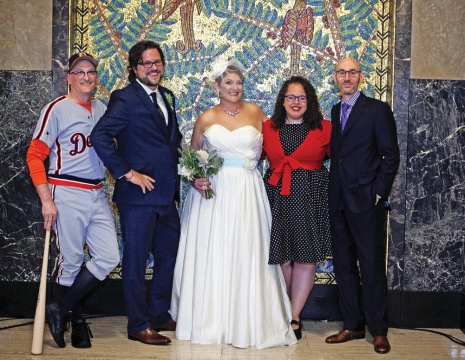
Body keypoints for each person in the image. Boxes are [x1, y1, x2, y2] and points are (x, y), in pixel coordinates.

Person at [169, 58, 297, 349]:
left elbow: (273, 149)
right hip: (214, 193)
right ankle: (210, 319)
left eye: (238, 82)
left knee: (246, 249)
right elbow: (191, 159)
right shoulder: (206, 117)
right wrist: (195, 180)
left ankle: (248, 321)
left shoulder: (256, 113)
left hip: (247, 191)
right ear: (217, 86)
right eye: (228, 82)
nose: (234, 87)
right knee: (213, 249)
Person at [26, 52, 120, 349]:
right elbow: (34, 156)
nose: (86, 77)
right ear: (69, 77)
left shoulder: (103, 108)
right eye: (79, 72)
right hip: (65, 191)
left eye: (90, 72)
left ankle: (62, 308)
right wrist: (46, 200)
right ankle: (77, 322)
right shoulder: (56, 109)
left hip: (96, 191)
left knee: (109, 257)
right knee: (72, 261)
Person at [90, 40, 182, 346]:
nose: (154, 68)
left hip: (167, 196)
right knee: (136, 260)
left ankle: (158, 313)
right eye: (147, 64)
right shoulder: (125, 99)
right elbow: (100, 136)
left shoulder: (166, 96)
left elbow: (170, 142)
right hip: (137, 198)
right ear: (134, 69)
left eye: (158, 63)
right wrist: (128, 173)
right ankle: (139, 325)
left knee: (168, 255)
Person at [325, 57, 400, 354]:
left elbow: (390, 156)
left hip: (366, 202)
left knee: (370, 267)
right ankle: (352, 325)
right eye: (342, 72)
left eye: (352, 72)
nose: (347, 77)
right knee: (343, 266)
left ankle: (378, 331)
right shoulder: (335, 110)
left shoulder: (377, 110)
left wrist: (378, 192)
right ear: (335, 77)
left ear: (361, 77)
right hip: (339, 200)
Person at [262, 76, 332, 340]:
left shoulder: (325, 129)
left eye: (301, 97)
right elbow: (247, 156)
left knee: (304, 258)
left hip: (309, 197)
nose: (295, 102)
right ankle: (280, 310)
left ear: (309, 101)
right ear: (282, 101)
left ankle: (294, 316)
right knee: (280, 258)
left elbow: (347, 158)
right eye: (290, 97)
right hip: (275, 196)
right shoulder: (267, 128)